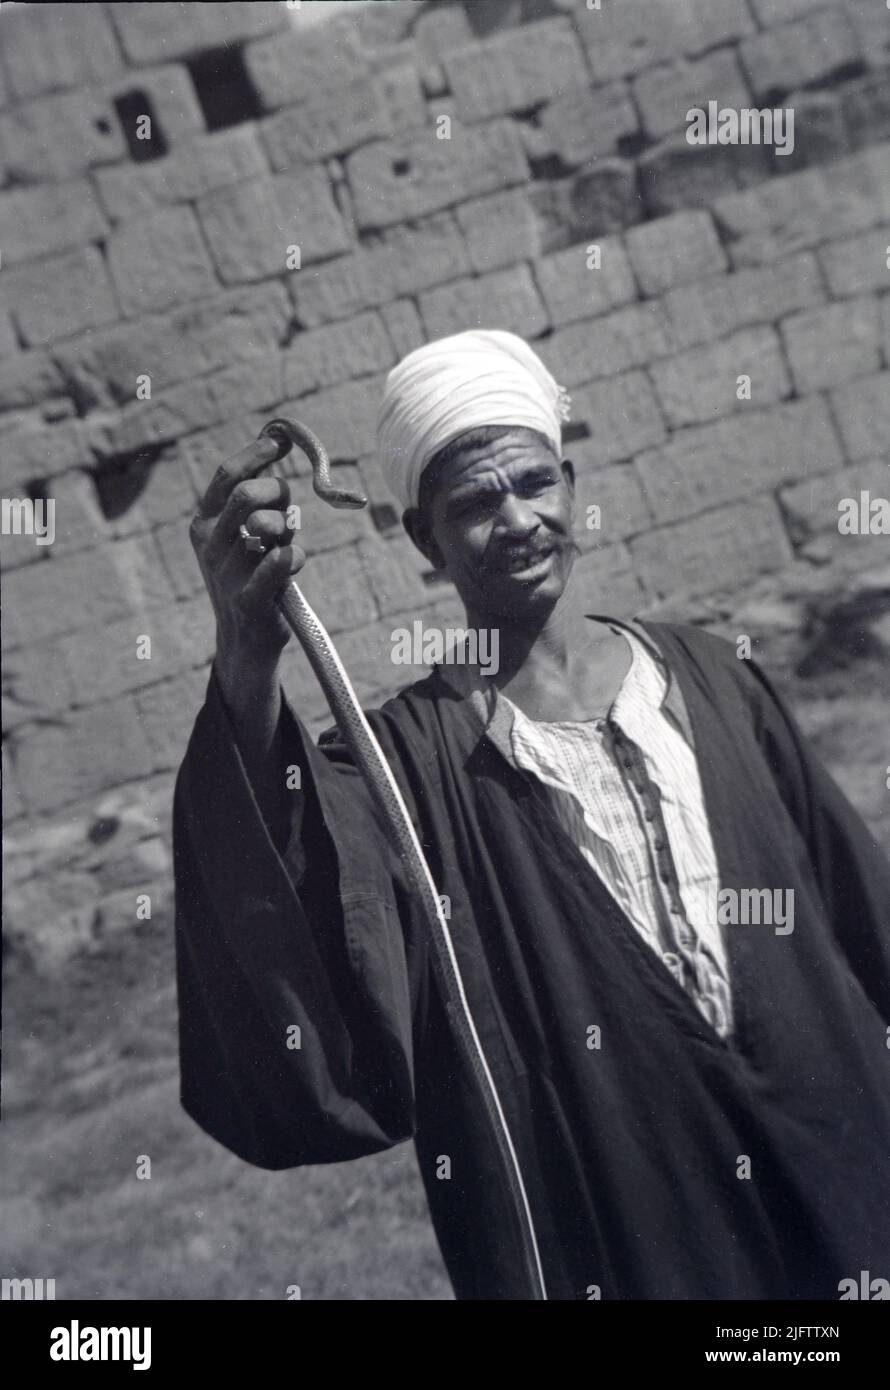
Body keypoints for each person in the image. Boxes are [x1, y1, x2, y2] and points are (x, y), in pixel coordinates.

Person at [174, 328, 890, 1301]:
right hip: (622, 1210)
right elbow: (290, 872)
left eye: (534, 484)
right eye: (473, 502)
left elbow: (855, 901)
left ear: (570, 482)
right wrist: (246, 648)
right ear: (425, 539)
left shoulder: (712, 674)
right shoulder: (405, 764)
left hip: (839, 1167)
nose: (516, 519)